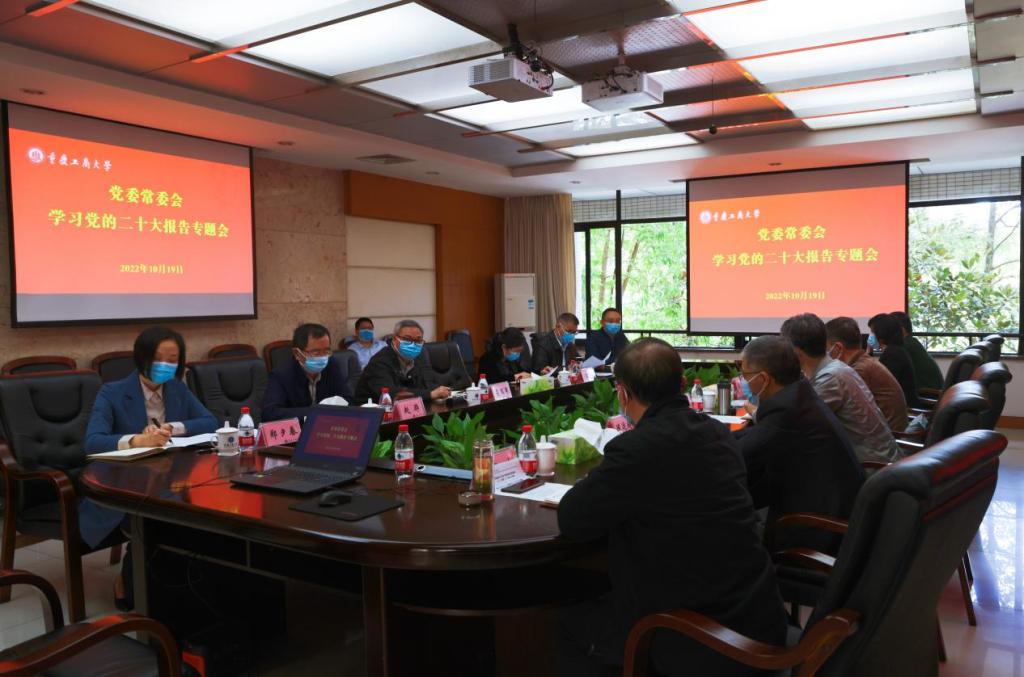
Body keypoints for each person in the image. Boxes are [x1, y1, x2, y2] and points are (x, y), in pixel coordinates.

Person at [557, 338, 786, 677]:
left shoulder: (636, 449)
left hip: (699, 636)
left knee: (564, 621)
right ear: (682, 384)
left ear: (622, 393)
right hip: (757, 613)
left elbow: (573, 519)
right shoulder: (717, 432)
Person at [84, 326, 217, 610]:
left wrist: (173, 427)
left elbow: (209, 421)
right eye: (159, 359)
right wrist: (137, 440)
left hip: (170, 477)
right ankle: (130, 581)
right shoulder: (112, 392)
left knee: (201, 510)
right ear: (142, 357)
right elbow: (93, 442)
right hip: (122, 485)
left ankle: (185, 582)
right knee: (155, 516)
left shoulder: (177, 388)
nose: (166, 366)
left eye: (173, 360)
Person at [733, 336, 864, 553]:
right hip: (829, 507)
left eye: (745, 375)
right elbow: (757, 434)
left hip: (817, 529)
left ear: (764, 378)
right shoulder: (799, 395)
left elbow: (739, 455)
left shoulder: (787, 410)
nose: (743, 380)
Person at [779, 313, 901, 463]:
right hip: (876, 458)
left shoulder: (830, 378)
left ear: (796, 353)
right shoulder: (838, 368)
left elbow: (794, 426)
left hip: (870, 466)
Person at [825, 316, 909, 432]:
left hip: (891, 434)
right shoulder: (863, 362)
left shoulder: (858, 370)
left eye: (827, 348)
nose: (825, 354)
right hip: (889, 430)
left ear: (838, 348)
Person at [262, 323, 355, 422]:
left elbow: (348, 399)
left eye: (326, 351)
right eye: (316, 352)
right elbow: (270, 413)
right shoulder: (281, 375)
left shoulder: (332, 365)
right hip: (299, 429)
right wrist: (316, 412)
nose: (323, 357)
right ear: (297, 354)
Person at [355, 319, 450, 403]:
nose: (413, 345)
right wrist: (430, 394)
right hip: (371, 412)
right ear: (394, 340)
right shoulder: (380, 361)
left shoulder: (420, 356)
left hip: (410, 409)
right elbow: (392, 394)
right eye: (407, 339)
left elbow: (429, 383)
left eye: (418, 340)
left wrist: (442, 391)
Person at [868, 313, 920, 408]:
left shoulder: (892, 355)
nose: (870, 336)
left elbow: (878, 385)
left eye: (872, 332)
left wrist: (868, 352)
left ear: (881, 334)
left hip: (903, 409)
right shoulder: (896, 350)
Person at [890, 310, 944, 391]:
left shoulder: (905, 347)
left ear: (901, 330)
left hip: (927, 395)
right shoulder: (912, 342)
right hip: (933, 393)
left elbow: (888, 376)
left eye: (889, 329)